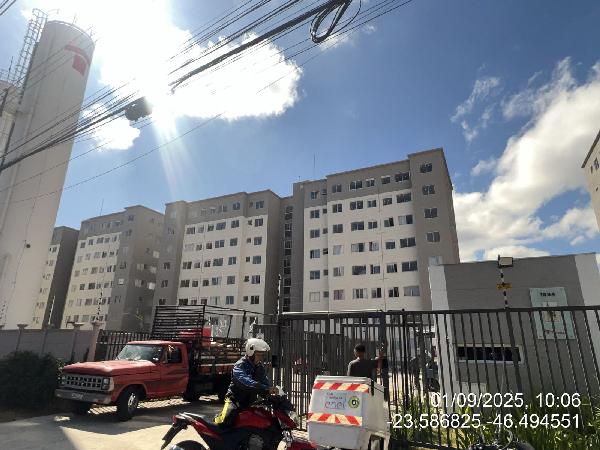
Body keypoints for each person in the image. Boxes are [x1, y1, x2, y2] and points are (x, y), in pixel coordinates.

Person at [214, 338, 279, 426]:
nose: (261, 358)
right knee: (226, 419)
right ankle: (215, 427)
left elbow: (264, 382)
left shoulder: (259, 368)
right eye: (258, 355)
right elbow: (246, 382)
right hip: (235, 400)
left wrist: (270, 393)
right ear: (250, 353)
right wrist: (265, 388)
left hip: (250, 402)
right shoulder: (240, 365)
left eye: (262, 355)